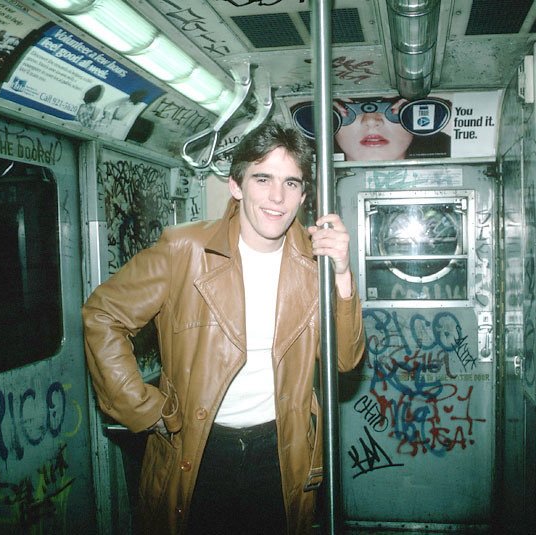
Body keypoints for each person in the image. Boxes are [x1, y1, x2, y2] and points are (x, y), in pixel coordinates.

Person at [82, 121, 366, 534]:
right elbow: (103, 314)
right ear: (236, 186)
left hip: (282, 450)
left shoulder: (314, 264)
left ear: (304, 195)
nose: (277, 197)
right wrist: (143, 408)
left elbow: (344, 360)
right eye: (263, 178)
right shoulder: (185, 250)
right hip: (198, 448)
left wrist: (341, 273)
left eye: (291, 183)